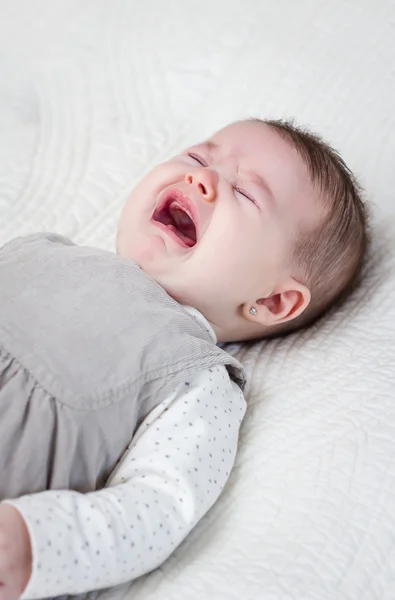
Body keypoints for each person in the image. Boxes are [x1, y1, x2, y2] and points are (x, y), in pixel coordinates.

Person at [0, 119, 369, 600]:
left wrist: (37, 544)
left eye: (246, 193)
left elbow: (158, 505)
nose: (203, 178)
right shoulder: (41, 248)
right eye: (198, 157)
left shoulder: (199, 378)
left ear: (273, 302)